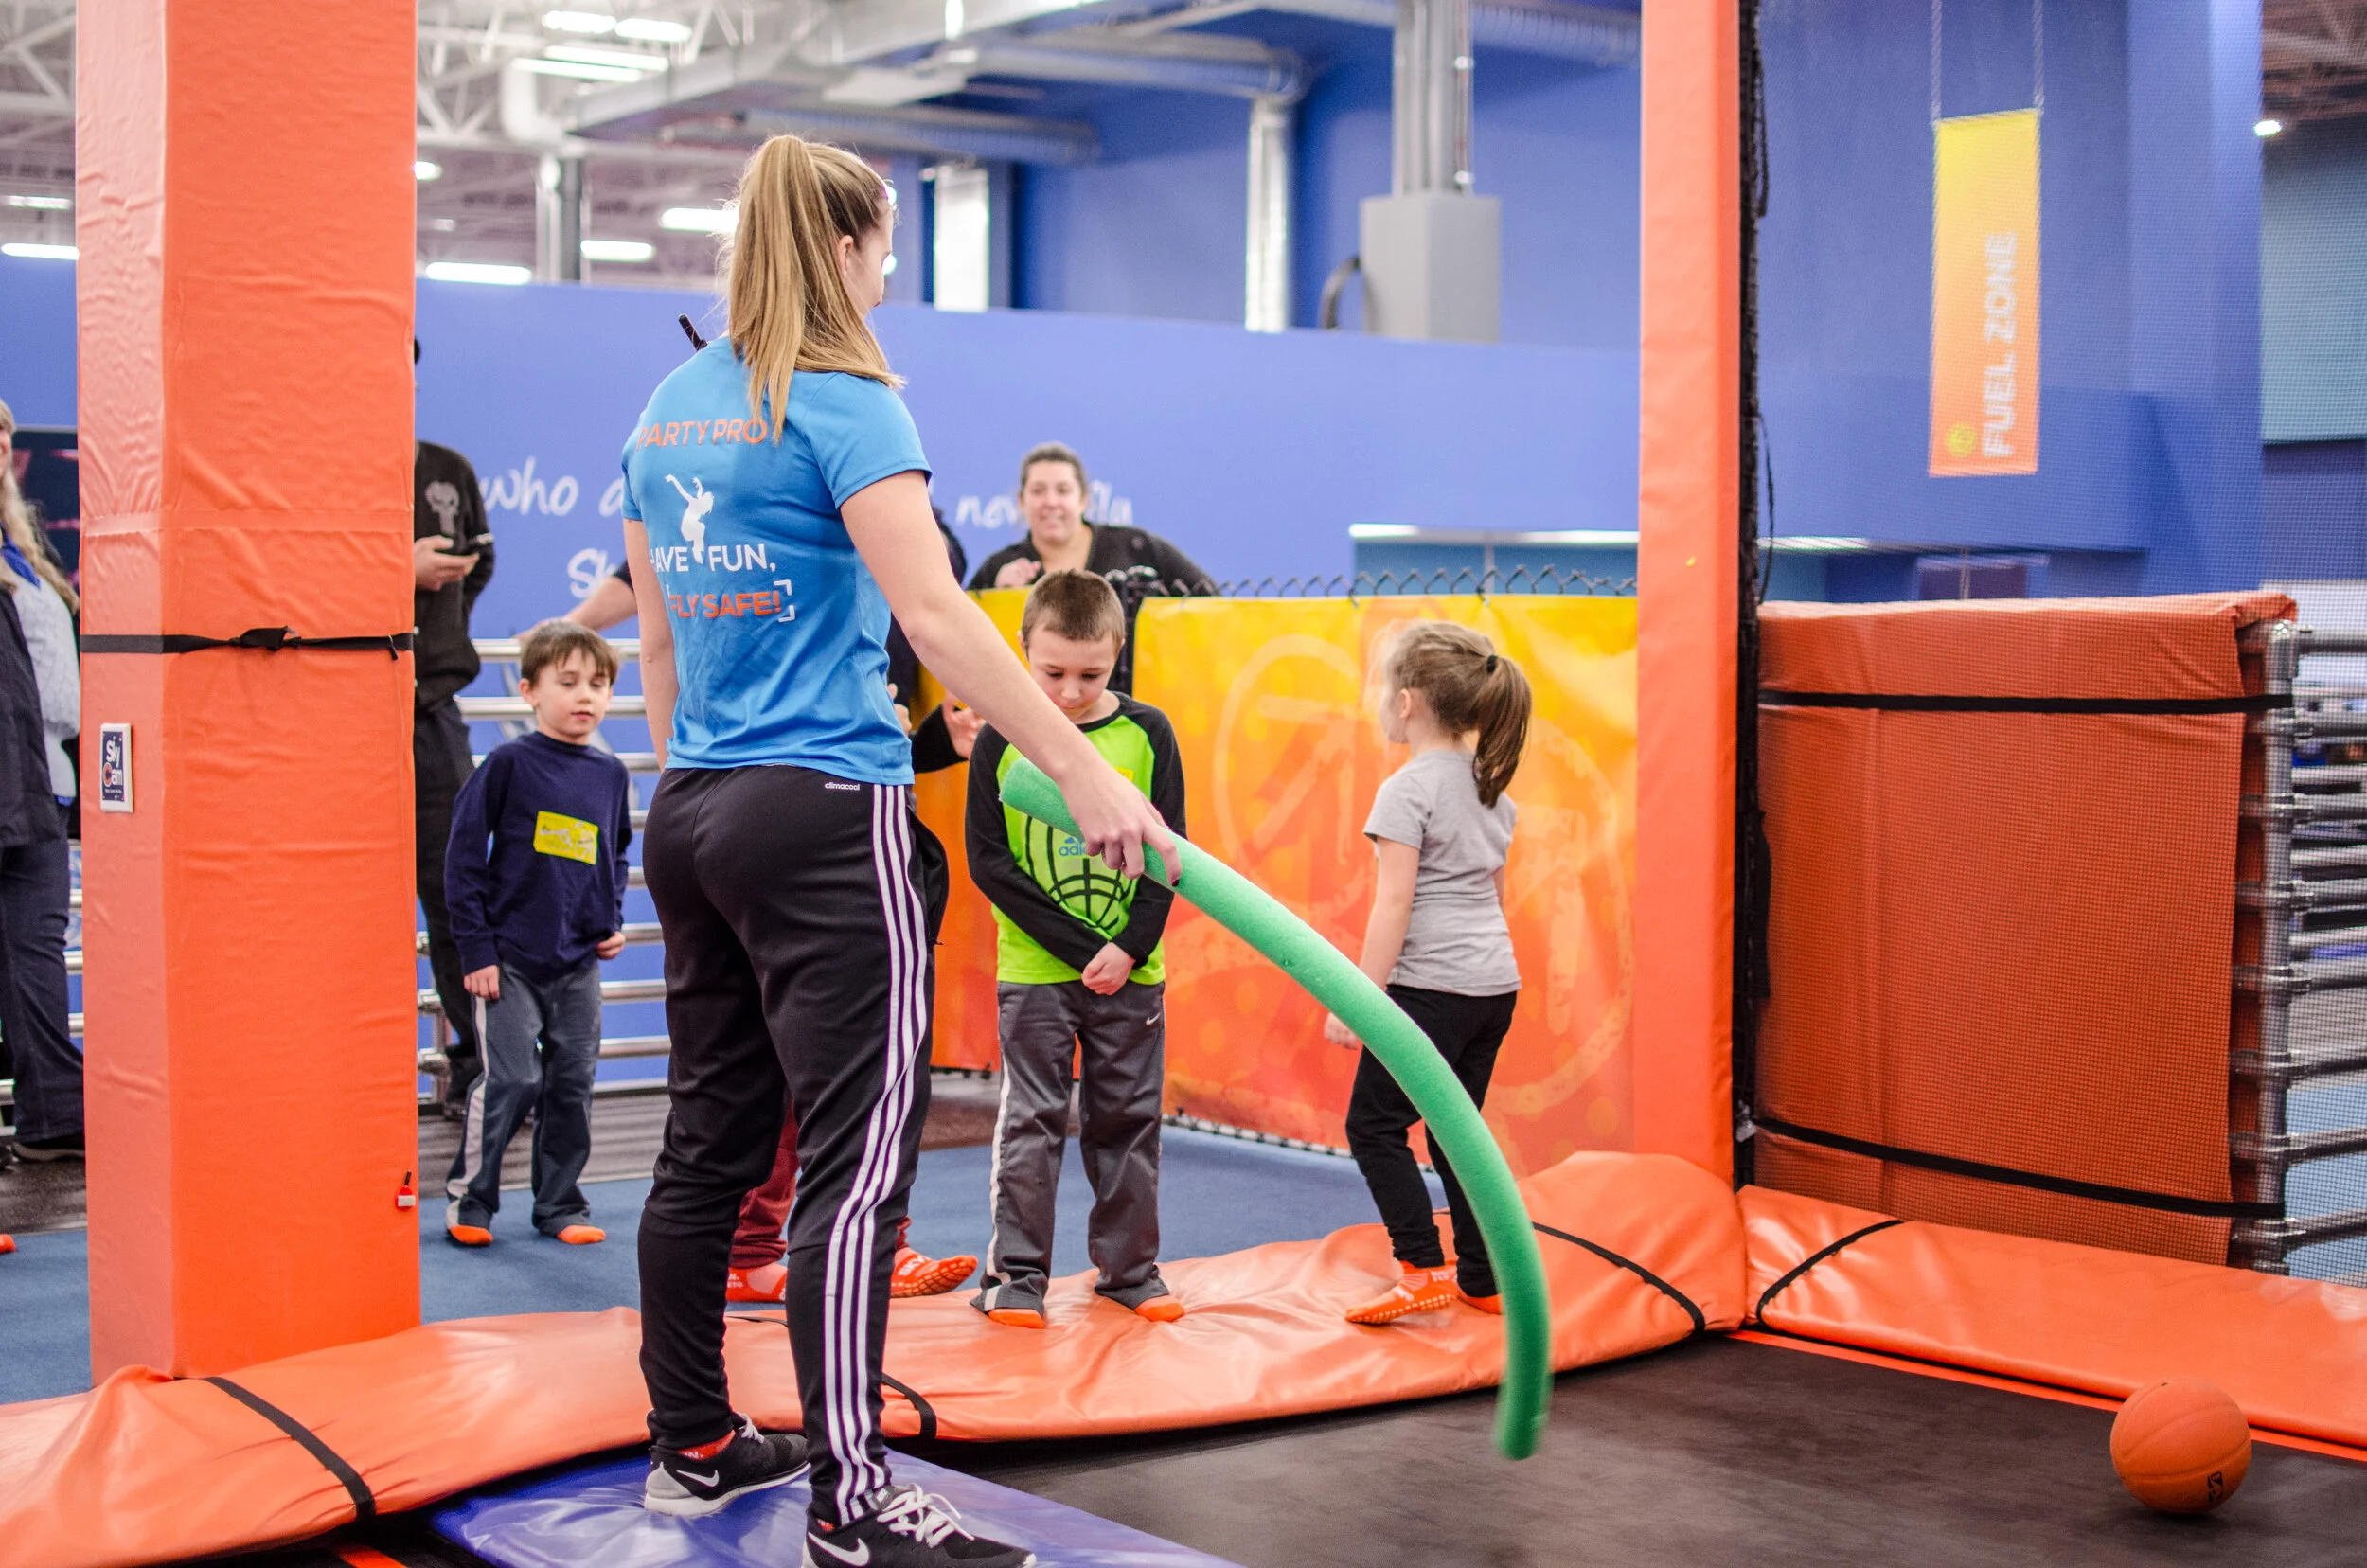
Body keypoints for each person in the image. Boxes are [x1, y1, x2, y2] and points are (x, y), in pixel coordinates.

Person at [619, 134, 1170, 1560]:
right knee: (856, 1170)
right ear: (850, 249)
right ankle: (855, 1506)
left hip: (693, 809)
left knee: (706, 1147)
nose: (888, 276)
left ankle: (691, 1442)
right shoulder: (849, 399)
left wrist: (689, 790)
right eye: (884, 252)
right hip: (820, 816)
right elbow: (938, 620)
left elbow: (663, 644)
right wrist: (1083, 778)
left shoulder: (672, 407)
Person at [966, 571, 1185, 1329]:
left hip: (1134, 971)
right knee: (1032, 1118)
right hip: (1035, 973)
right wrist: (1082, 943)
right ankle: (1015, 1276)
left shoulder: (1148, 734)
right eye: (1050, 672)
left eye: (1089, 675)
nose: (1067, 692)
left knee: (1128, 1119)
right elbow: (989, 862)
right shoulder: (1000, 737)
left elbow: (1168, 854)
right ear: (1023, 651)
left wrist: (1127, 946)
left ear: (1117, 655)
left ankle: (1129, 1271)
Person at [1324, 621, 1533, 1326]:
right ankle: (1483, 1275)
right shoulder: (1492, 790)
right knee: (1455, 1132)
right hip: (1492, 986)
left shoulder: (1407, 790)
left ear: (1408, 701)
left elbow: (1396, 901)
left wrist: (1357, 1001)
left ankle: (1420, 1266)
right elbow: (1493, 898)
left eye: (1384, 687)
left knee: (1373, 1128)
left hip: (1432, 991)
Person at [441, 620, 632, 1248]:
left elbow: (613, 855)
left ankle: (559, 1206)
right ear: (528, 690)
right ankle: (471, 1197)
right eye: (568, 682)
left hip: (577, 963)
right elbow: (464, 860)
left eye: (598, 684)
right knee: (514, 1079)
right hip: (512, 960)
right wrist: (478, 951)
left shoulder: (608, 774)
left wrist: (610, 922)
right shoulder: (508, 765)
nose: (585, 696)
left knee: (573, 1081)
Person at [414, 347, 497, 1118]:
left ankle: (479, 1067)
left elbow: (482, 561)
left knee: (454, 891)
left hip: (434, 715)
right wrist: (394, 571)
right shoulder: (320, 471)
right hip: (338, 719)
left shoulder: (446, 467)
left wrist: (439, 623)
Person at [964, 443, 1216, 694]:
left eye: (1063, 490)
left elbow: (1208, 599)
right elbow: (962, 637)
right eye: (1038, 491)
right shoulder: (999, 569)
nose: (1051, 501)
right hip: (1037, 712)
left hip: (1135, 703)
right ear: (1021, 501)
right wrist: (998, 600)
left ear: (1083, 498)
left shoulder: (1136, 547)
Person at [0, 397, 78, 1162]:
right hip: (14, 776)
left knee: (35, 953)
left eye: (3, 433)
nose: (0, 444)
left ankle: (55, 1116)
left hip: (41, 779)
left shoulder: (21, 547)